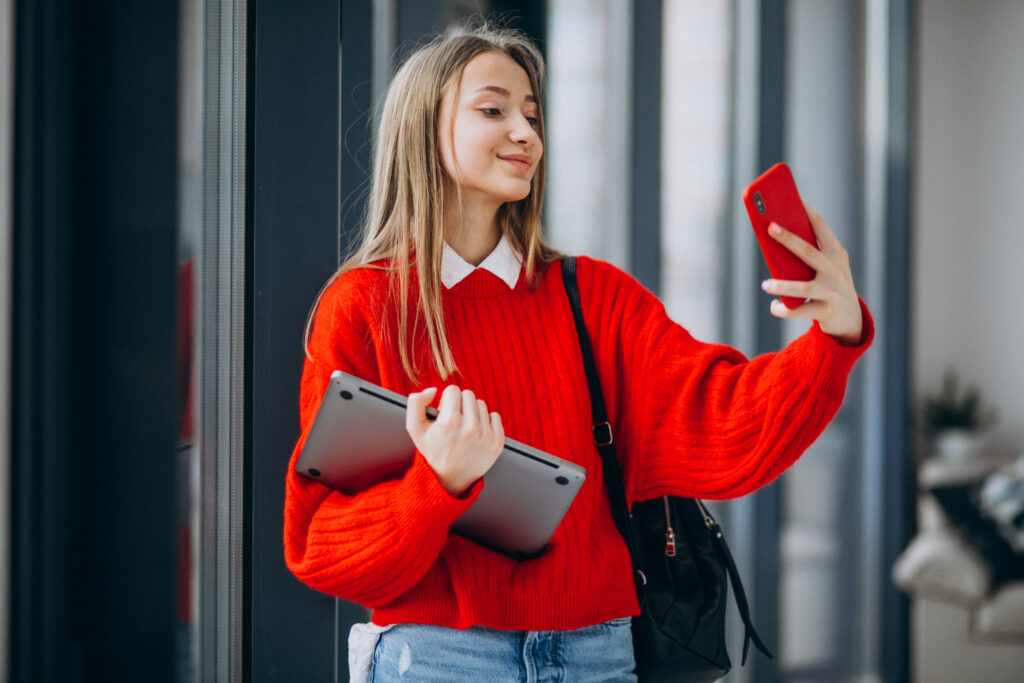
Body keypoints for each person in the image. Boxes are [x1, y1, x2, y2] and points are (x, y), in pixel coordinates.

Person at [283, 24, 872, 682]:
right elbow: (320, 547)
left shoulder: (592, 296)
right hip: (440, 657)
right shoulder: (364, 306)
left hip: (596, 655)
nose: (525, 132)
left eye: (532, 114)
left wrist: (835, 337)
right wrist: (436, 487)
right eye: (493, 109)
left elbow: (725, 419)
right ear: (424, 126)